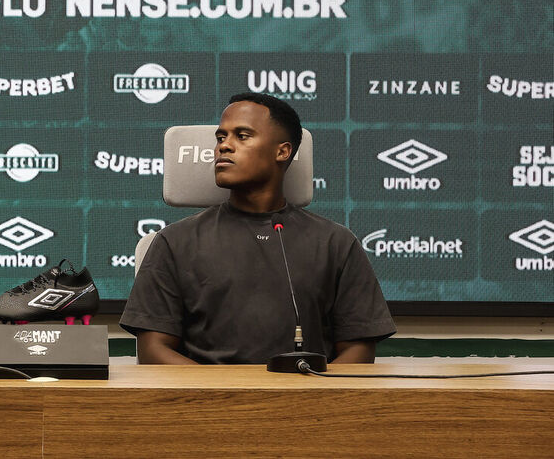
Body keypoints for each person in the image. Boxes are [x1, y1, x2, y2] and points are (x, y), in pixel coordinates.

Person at [121, 93, 395, 364]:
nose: (224, 147)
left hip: (308, 402)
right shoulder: (174, 242)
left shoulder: (336, 243)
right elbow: (153, 349)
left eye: (242, 136)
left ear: (282, 151)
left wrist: (314, 400)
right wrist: (225, 400)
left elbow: (358, 349)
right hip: (208, 405)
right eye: (220, 138)